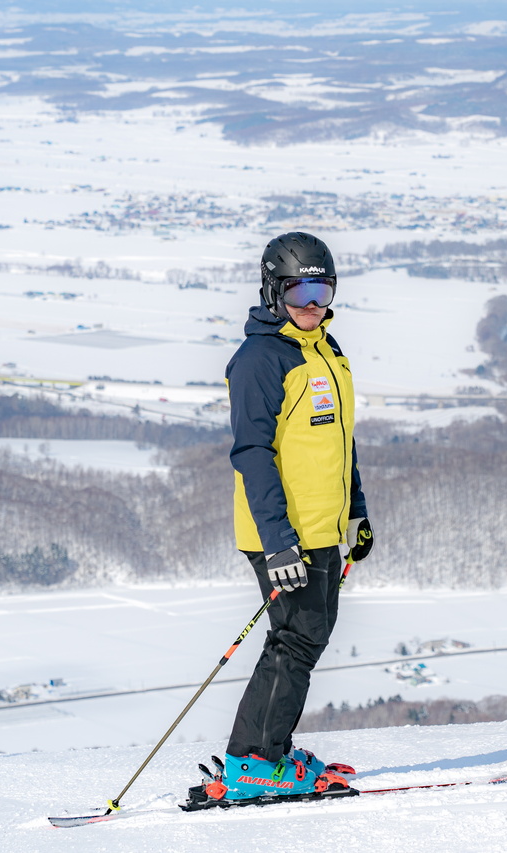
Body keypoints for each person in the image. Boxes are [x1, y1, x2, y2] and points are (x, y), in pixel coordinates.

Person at [210, 231, 373, 801]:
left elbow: (340, 443)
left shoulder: (326, 350)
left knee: (310, 636)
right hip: (282, 532)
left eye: (322, 290)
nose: (312, 303)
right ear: (273, 291)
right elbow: (252, 454)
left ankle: (269, 750)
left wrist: (356, 512)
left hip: (323, 527)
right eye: (300, 289)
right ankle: (254, 762)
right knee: (296, 640)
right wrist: (279, 542)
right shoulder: (260, 359)